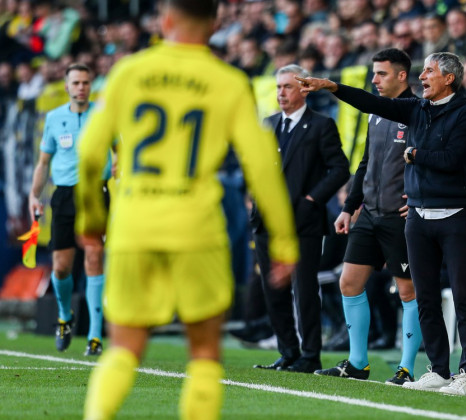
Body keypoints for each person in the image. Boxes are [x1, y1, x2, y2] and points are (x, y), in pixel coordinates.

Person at [75, 2, 299, 419]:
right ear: (215, 24)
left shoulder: (129, 72)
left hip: (134, 225)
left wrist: (90, 221)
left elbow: (90, 154)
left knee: (125, 346)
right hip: (197, 227)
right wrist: (284, 241)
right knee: (203, 354)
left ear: (165, 20)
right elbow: (261, 165)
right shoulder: (228, 81)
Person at [297, 51, 466, 397]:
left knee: (463, 296)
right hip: (418, 217)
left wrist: (414, 155)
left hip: (453, 215)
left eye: (430, 72)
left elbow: (454, 159)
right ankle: (439, 370)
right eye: (423, 70)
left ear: (449, 79)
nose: (423, 77)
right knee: (426, 297)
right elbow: (369, 103)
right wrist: (332, 87)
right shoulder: (416, 109)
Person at [314, 48, 422, 386]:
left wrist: (419, 199)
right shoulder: (375, 115)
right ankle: (358, 363)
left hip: (399, 217)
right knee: (349, 282)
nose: (374, 80)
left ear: (402, 75)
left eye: (381, 74)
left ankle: (406, 368)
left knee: (408, 292)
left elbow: (433, 158)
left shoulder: (418, 111)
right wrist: (349, 207)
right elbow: (366, 163)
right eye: (373, 74)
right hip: (370, 214)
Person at [251, 64, 349, 374]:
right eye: (279, 87)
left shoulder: (321, 125)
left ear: (304, 89)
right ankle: (288, 352)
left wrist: (311, 199)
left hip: (303, 222)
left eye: (288, 87)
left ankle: (310, 355)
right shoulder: (267, 126)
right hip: (267, 222)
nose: (281, 92)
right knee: (273, 290)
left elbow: (340, 169)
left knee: (305, 290)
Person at [28, 62, 110, 356]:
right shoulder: (54, 118)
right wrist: (33, 195)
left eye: (86, 82)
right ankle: (65, 317)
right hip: (63, 196)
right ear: (66, 86)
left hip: (96, 194)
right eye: (76, 83)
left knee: (94, 260)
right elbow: (43, 162)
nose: (81, 87)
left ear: (91, 85)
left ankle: (95, 336)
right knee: (61, 268)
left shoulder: (103, 116)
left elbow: (121, 150)